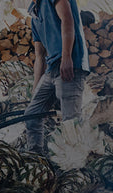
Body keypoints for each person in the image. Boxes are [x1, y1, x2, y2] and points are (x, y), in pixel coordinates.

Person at [23, 0, 90, 153]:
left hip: (70, 66)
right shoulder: (34, 12)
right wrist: (35, 89)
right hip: (52, 69)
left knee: (70, 122)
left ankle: (74, 168)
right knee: (32, 114)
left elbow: (67, 19)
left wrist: (67, 56)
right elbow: (39, 56)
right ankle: (35, 156)